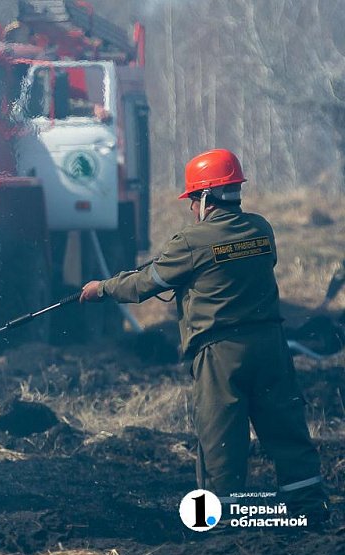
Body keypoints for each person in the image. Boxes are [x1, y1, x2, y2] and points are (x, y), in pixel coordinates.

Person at [79, 149, 329, 523]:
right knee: (285, 428)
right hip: (272, 346)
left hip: (220, 353)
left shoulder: (191, 242)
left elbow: (147, 283)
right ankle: (309, 508)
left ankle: (223, 521)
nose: (191, 208)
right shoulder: (262, 229)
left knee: (221, 440)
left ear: (206, 197)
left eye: (193, 200)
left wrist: (101, 288)